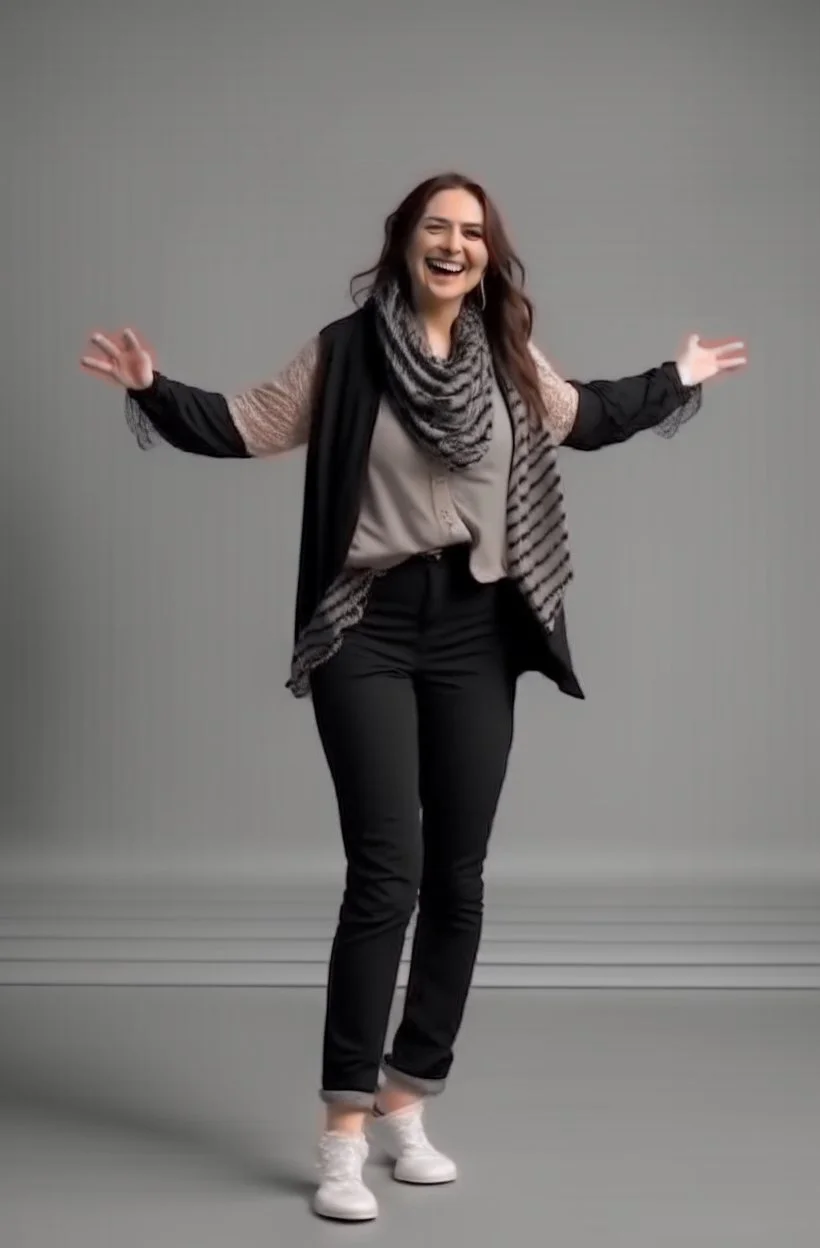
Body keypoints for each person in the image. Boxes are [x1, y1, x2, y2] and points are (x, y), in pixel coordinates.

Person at [80, 171, 747, 1223]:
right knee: (385, 871)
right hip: (367, 624)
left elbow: (587, 417)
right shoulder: (345, 353)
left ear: (487, 252)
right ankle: (344, 1133)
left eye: (471, 232)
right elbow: (249, 424)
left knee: (461, 874)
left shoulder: (508, 357)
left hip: (477, 624)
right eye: (436, 227)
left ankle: (407, 1098)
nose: (454, 245)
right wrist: (155, 388)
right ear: (402, 241)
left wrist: (681, 374)